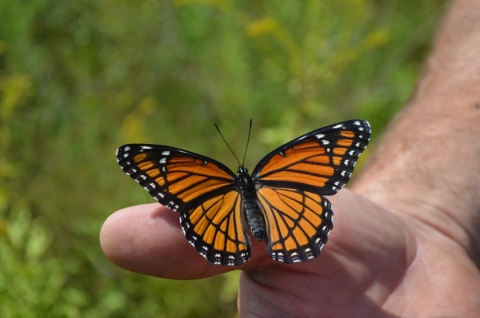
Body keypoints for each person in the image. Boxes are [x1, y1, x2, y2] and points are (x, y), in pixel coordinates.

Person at [100, 0, 480, 316]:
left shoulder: (214, 177)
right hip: (282, 206)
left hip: (225, 213)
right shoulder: (277, 166)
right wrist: (426, 215)